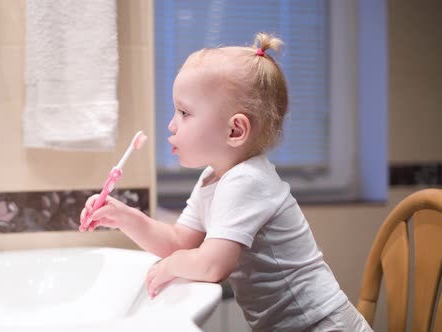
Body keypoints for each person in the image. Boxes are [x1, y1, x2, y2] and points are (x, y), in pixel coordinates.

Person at [79, 33, 373, 332]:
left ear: (235, 130)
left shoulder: (246, 181)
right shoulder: (212, 178)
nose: (171, 124)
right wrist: (124, 217)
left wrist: (170, 266)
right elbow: (179, 241)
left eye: (184, 112)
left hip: (323, 325)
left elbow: (212, 265)